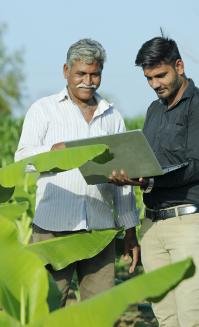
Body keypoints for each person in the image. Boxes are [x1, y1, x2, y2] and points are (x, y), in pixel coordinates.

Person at [15, 38, 140, 307]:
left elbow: (124, 181)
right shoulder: (43, 110)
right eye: (81, 73)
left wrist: (130, 230)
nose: (88, 80)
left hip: (100, 229)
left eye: (95, 74)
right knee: (47, 307)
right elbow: (22, 160)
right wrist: (53, 151)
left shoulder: (112, 115)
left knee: (101, 311)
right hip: (53, 229)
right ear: (66, 71)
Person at [110, 36, 199, 326]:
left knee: (191, 316)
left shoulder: (197, 107)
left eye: (161, 75)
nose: (155, 84)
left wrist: (147, 180)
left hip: (188, 225)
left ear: (179, 66)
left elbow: (195, 165)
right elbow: (147, 162)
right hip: (151, 227)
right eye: (149, 78)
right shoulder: (153, 111)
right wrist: (126, 172)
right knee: (165, 317)